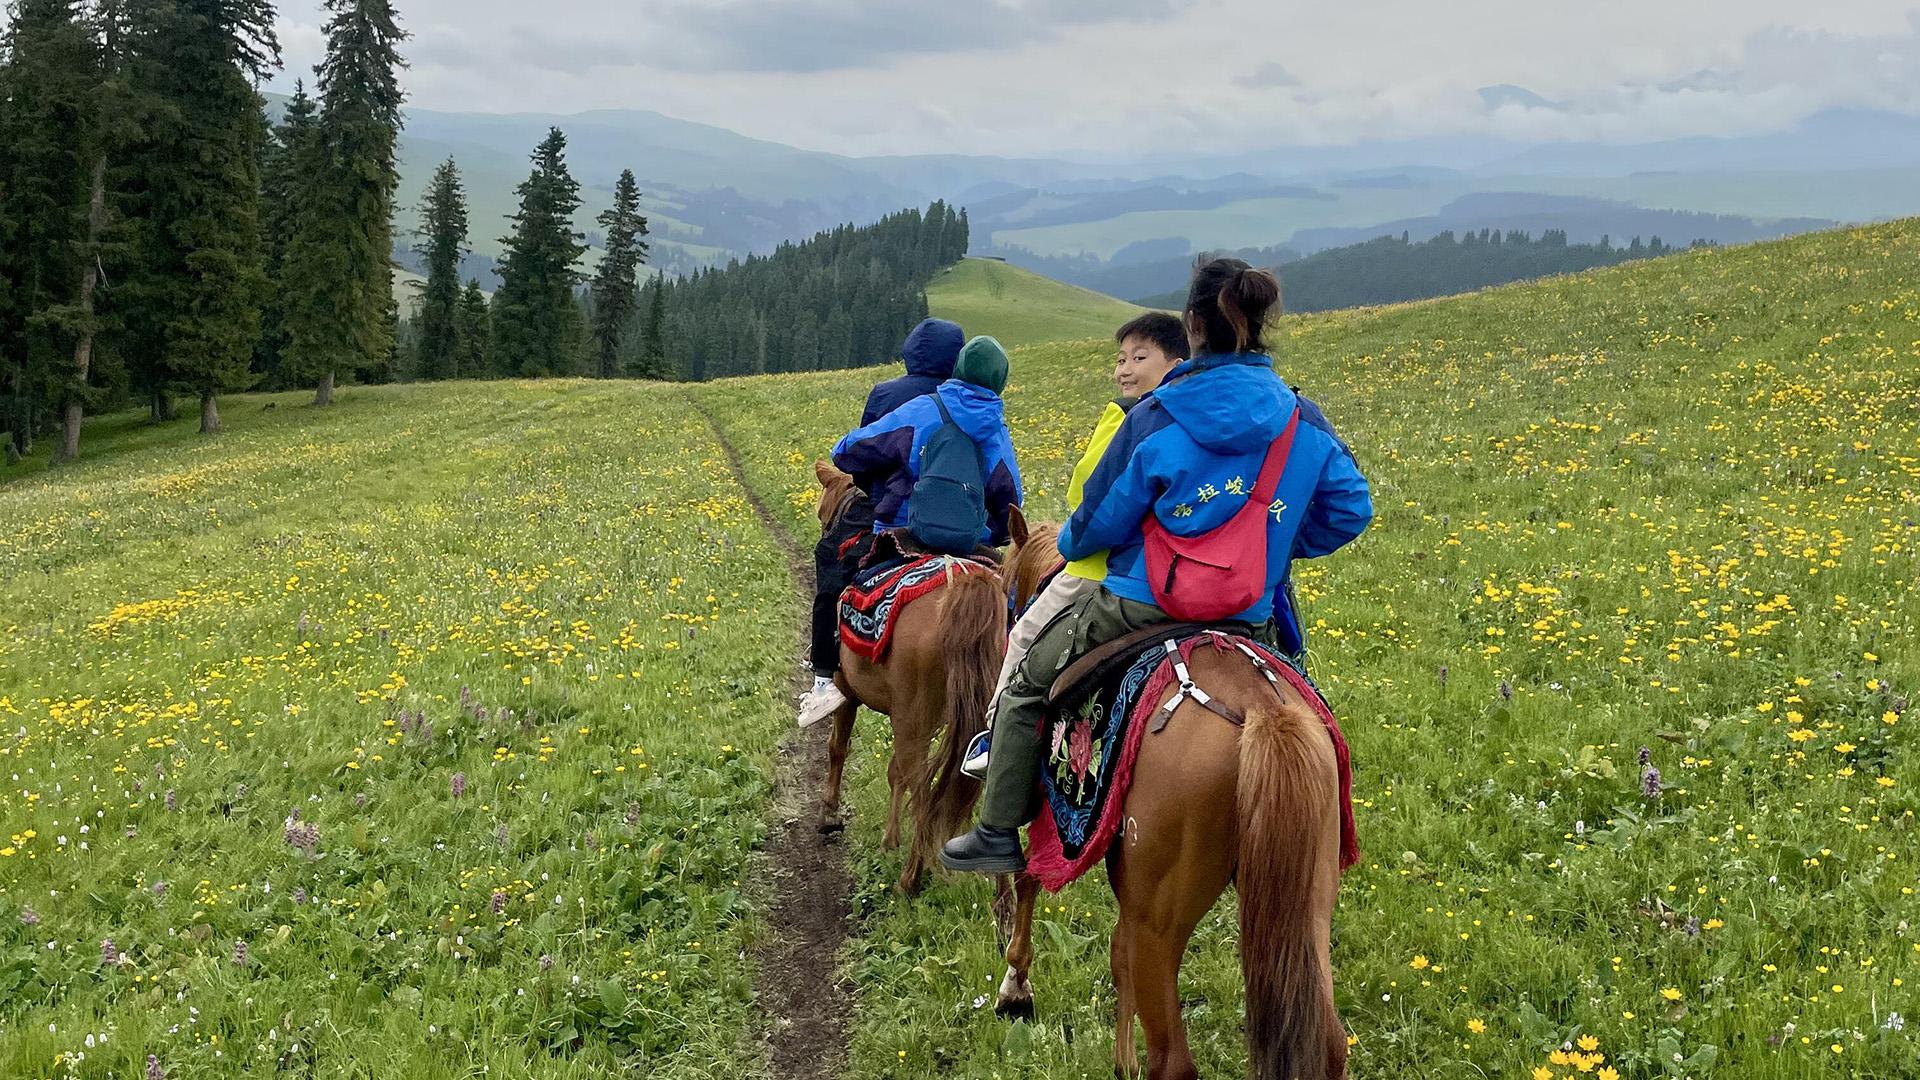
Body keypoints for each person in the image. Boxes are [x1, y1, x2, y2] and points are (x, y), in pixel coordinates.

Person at [940, 258, 1374, 873]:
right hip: (1248, 613)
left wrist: (1072, 539)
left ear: (1192, 325)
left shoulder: (1154, 415)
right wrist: (1267, 542)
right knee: (1297, 689)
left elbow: (1100, 520)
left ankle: (997, 832)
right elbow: (1350, 509)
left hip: (1141, 603)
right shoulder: (1303, 417)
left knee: (1029, 680)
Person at [960, 311, 1189, 779]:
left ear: (1177, 362)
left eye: (1139, 357)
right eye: (1121, 358)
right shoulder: (1201, 418)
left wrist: (1069, 540)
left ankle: (994, 743)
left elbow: (1089, 500)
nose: (1124, 369)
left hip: (1103, 573)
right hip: (1209, 579)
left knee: (1022, 639)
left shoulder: (1129, 420)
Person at [797, 335, 1025, 727]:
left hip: (905, 533)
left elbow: (847, 450)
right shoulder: (995, 429)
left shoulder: (924, 408)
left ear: (958, 369)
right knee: (1016, 613)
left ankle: (830, 672)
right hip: (973, 544)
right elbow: (1009, 497)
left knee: (848, 588)